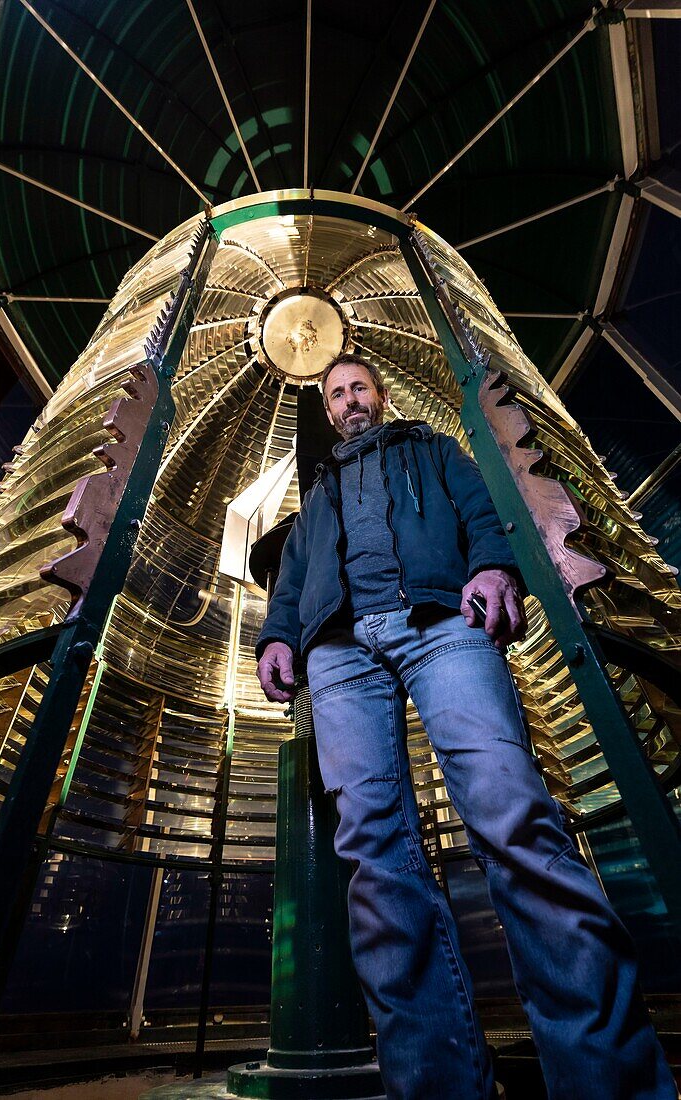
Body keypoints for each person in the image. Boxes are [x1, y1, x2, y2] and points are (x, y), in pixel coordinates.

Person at [255, 352, 676, 1100]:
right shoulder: (314, 497)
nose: (348, 399)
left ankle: (605, 1082)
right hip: (339, 655)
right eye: (335, 393)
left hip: (441, 624)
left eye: (357, 387)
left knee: (509, 813)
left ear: (379, 397)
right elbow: (288, 584)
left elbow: (485, 514)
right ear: (328, 410)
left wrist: (491, 568)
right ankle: (438, 1085)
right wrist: (277, 637)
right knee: (373, 855)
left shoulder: (432, 448)